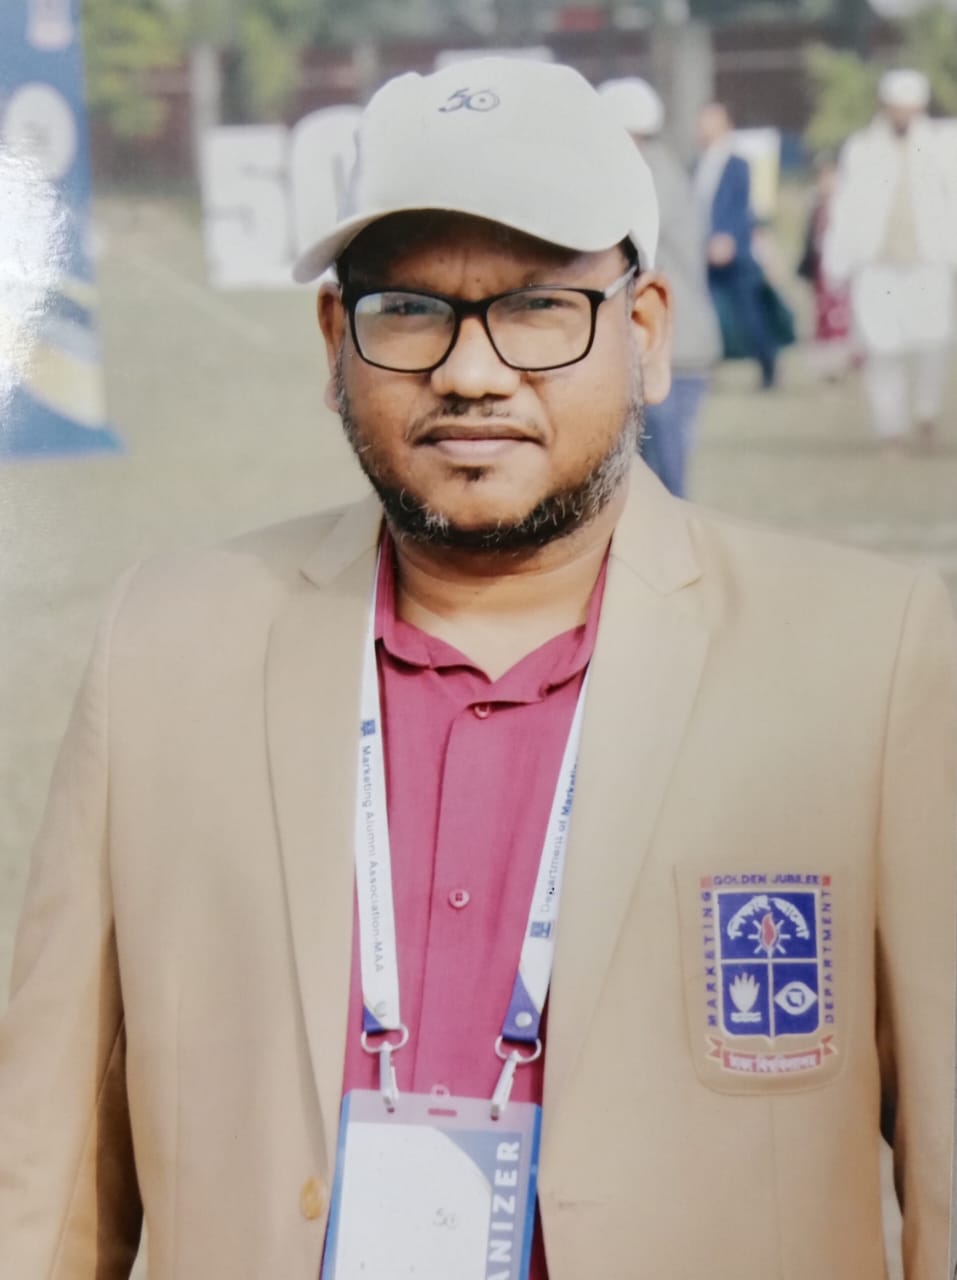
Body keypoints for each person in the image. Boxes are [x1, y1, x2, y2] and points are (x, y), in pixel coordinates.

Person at [0, 57, 955, 1280]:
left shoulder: (863, 659)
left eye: (539, 305)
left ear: (645, 331)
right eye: (410, 307)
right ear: (335, 339)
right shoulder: (167, 649)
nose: (470, 369)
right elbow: (44, 1184)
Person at [599, 76, 720, 498]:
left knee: (665, 483)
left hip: (674, 350)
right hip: (668, 345)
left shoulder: (647, 175)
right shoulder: (658, 167)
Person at [823, 69, 957, 450]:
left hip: (929, 261)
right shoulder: (862, 148)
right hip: (877, 265)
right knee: (882, 349)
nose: (903, 116)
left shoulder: (943, 145)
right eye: (897, 109)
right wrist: (838, 259)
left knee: (933, 343)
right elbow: (847, 207)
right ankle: (890, 429)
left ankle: (927, 414)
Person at [695, 101, 781, 389]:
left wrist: (727, 238)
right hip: (705, 252)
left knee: (748, 313)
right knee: (705, 314)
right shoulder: (698, 164)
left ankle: (768, 365)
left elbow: (741, 207)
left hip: (734, 252)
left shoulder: (737, 164)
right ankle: (706, 368)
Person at [796, 154, 855, 383]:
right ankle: (828, 364)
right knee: (823, 314)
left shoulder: (845, 205)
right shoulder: (816, 205)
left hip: (842, 268)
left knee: (841, 315)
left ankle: (843, 360)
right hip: (821, 267)